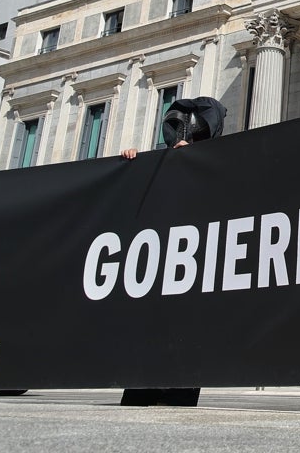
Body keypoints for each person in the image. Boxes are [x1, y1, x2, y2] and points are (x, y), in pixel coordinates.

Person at [119, 96, 227, 407]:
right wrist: (133, 165)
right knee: (148, 328)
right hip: (158, 264)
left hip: (195, 268)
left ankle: (179, 389)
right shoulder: (156, 165)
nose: (184, 139)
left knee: (189, 331)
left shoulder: (222, 163)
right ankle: (142, 387)